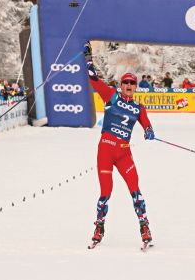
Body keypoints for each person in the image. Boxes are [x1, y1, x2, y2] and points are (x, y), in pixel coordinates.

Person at [84, 41, 154, 245]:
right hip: (105, 151)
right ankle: (99, 227)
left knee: (136, 190)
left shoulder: (139, 108)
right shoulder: (111, 96)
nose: (129, 86)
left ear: (136, 87)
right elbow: (93, 79)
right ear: (121, 85)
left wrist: (149, 131)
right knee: (105, 192)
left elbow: (147, 125)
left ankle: (145, 227)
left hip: (124, 153)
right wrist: (88, 58)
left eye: (132, 83)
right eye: (126, 83)